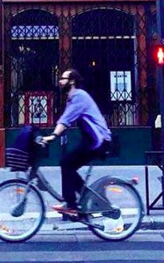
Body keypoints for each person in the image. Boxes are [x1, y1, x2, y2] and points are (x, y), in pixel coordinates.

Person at [41, 68, 112, 217]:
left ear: (72, 81)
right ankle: (85, 199)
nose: (60, 81)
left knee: (66, 163)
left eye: (63, 78)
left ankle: (72, 205)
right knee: (69, 165)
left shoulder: (79, 96)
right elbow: (67, 118)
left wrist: (53, 135)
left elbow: (66, 119)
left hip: (98, 140)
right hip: (92, 139)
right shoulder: (73, 98)